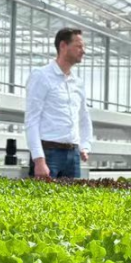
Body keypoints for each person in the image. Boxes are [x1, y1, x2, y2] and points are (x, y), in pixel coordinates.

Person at [26, 28, 92, 180]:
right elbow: (31, 120)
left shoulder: (78, 82)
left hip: (73, 155)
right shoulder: (41, 76)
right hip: (49, 153)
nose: (83, 51)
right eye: (79, 46)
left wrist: (85, 145)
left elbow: (83, 116)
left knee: (73, 196)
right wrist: (39, 160)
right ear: (63, 46)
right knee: (42, 196)